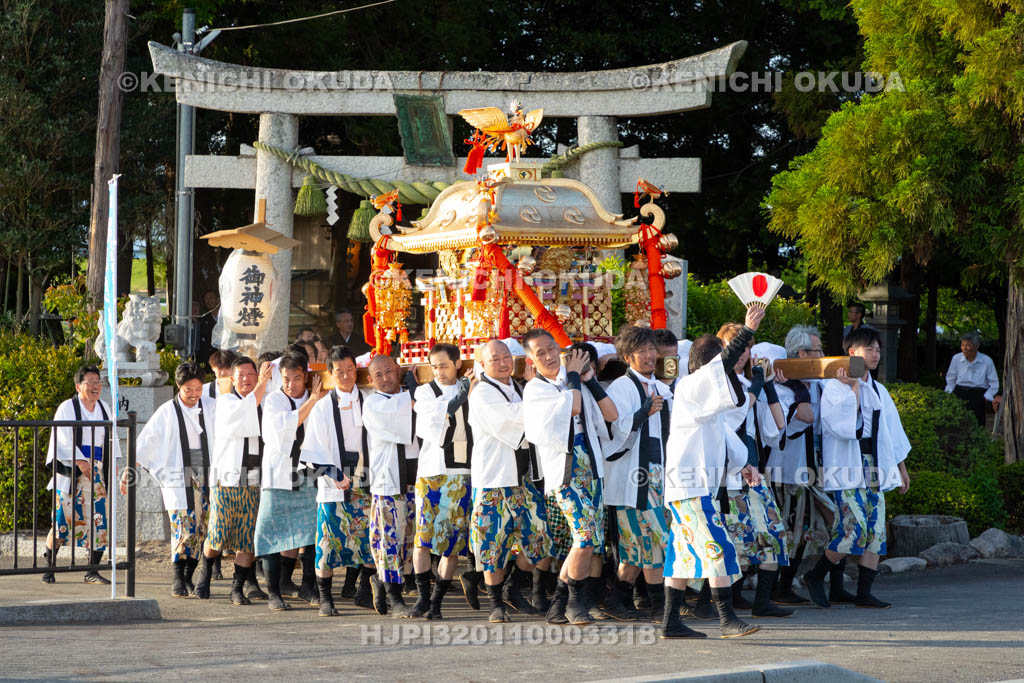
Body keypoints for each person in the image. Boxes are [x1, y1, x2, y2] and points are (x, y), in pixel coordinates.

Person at [661, 307, 767, 640]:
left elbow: (726, 438)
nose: (731, 366)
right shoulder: (691, 386)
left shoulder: (704, 403)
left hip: (690, 489)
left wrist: (744, 464)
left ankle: (670, 622)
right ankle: (727, 619)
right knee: (719, 547)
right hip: (689, 488)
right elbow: (721, 367)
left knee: (681, 557)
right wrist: (747, 330)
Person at [803, 326, 911, 609]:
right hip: (847, 467)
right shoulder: (834, 388)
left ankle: (864, 593)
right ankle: (815, 575)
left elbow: (892, 432)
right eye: (869, 349)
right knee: (854, 530)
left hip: (875, 465)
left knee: (876, 530)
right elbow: (845, 428)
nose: (875, 354)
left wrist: (901, 467)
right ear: (852, 352)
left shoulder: (879, 389)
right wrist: (853, 388)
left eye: (878, 349)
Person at [523, 332, 618, 626]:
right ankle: (574, 603)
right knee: (585, 537)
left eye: (552, 349)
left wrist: (588, 379)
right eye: (540, 353)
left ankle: (558, 605)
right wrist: (575, 376)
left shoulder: (573, 380)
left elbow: (611, 415)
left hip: (591, 467)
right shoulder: (536, 389)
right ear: (530, 360)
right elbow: (572, 408)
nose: (549, 356)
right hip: (566, 473)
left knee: (587, 541)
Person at [468, 339, 552, 623]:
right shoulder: (482, 393)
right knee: (492, 543)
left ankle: (513, 587)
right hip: (494, 479)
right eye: (495, 359)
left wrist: (533, 391)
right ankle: (495, 604)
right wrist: (537, 392)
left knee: (540, 539)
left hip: (523, 479)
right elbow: (516, 420)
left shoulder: (518, 387)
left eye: (506, 357)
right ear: (483, 364)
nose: (503, 363)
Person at [715, 324, 793, 619]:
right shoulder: (716, 383)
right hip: (726, 475)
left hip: (753, 472)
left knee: (773, 532)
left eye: (746, 347)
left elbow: (777, 427)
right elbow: (733, 418)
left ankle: (762, 601)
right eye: (735, 346)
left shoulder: (750, 383)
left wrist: (768, 384)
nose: (742, 353)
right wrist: (756, 386)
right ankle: (723, 601)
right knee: (733, 541)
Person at [299, 345, 378, 616]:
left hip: (366, 478)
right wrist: (333, 473)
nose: (345, 376)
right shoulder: (322, 407)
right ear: (331, 374)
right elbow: (312, 449)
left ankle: (364, 591)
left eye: (349, 369)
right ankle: (325, 598)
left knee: (370, 538)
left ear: (356, 369)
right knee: (326, 542)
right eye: (339, 371)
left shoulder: (369, 399)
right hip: (334, 480)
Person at [126, 362, 216, 597]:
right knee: (183, 528)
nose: (194, 394)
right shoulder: (167, 411)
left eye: (198, 389)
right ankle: (177, 576)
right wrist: (129, 469)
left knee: (201, 529)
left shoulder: (211, 406)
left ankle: (188, 576)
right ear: (178, 386)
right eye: (189, 390)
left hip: (207, 474)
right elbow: (147, 442)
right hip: (178, 474)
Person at [603, 326, 673, 623]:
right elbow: (615, 429)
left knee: (638, 543)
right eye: (641, 351)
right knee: (657, 538)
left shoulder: (660, 386)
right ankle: (660, 606)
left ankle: (616, 600)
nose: (649, 355)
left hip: (657, 471)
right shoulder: (621, 387)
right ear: (627, 357)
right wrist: (644, 412)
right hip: (634, 476)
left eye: (651, 349)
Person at [766, 325, 839, 605]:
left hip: (814, 468)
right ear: (801, 354)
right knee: (786, 529)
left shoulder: (819, 383)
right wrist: (797, 388)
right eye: (817, 351)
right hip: (786, 471)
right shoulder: (782, 387)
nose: (821, 355)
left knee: (805, 529)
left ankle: (792, 584)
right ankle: (775, 588)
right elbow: (806, 417)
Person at [192, 356, 271, 605]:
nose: (246, 379)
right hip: (227, 479)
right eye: (241, 375)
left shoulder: (267, 402)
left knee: (247, 538)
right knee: (218, 533)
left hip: (254, 479)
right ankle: (205, 572)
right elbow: (246, 411)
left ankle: (237, 588)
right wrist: (263, 382)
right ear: (233, 380)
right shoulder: (226, 402)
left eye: (251, 374)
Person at [255, 353, 326, 612]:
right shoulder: (275, 399)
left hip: (309, 472)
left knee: (312, 532)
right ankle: (274, 592)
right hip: (278, 473)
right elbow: (285, 426)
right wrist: (313, 401)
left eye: (297, 378)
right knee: (270, 532)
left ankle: (308, 585)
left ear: (305, 376)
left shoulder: (317, 396)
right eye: (286, 379)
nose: (291, 384)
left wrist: (316, 399)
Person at [42, 365, 119, 585]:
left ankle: (92, 570)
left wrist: (111, 463)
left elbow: (110, 438)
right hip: (71, 471)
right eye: (90, 382)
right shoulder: (67, 407)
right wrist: (80, 461)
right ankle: (49, 566)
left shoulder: (104, 408)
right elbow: (62, 437)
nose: (96, 386)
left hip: (97, 471)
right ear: (78, 386)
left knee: (99, 521)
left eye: (98, 382)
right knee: (61, 521)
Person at [362, 355, 421, 617]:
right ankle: (395, 598)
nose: (386, 378)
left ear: (398, 370)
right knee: (390, 539)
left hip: (415, 478)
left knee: (410, 540)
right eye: (379, 375)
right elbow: (404, 417)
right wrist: (416, 393)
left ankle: (382, 581)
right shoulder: (373, 403)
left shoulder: (409, 396)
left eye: (389, 371)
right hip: (389, 481)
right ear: (370, 380)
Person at [944, 331, 1001, 426]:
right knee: (959, 424)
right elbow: (951, 378)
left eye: (967, 345)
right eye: (962, 345)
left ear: (976, 346)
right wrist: (949, 393)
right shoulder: (956, 358)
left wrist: (986, 396)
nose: (964, 348)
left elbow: (994, 383)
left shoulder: (986, 361)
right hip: (960, 393)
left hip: (978, 395)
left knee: (978, 424)